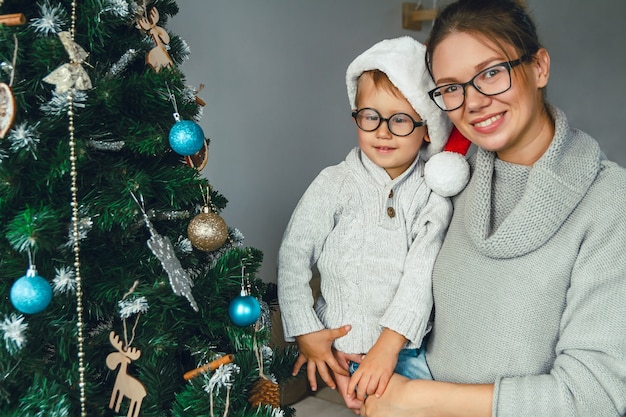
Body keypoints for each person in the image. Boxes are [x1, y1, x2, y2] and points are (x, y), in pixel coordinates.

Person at [357, 1, 626, 416]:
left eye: (491, 73)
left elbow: (596, 397)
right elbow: (377, 279)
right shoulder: (444, 179)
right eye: (451, 87)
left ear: (539, 67)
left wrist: (413, 398)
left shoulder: (610, 202)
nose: (473, 101)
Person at [277, 36, 470, 405]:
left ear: (427, 127)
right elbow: (294, 254)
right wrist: (306, 330)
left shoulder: (432, 195)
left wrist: (388, 347)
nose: (382, 131)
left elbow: (421, 274)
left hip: (405, 349)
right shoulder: (334, 182)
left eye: (399, 119)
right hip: (343, 345)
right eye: (370, 116)